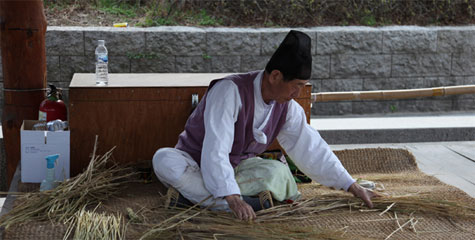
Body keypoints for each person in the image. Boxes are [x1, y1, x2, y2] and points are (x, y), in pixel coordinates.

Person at [152, 30, 377, 220]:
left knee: (278, 170)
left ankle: (191, 200)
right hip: (195, 163)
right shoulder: (230, 91)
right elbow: (215, 149)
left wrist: (350, 185)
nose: (298, 93)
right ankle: (234, 204)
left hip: (236, 170)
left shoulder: (287, 107)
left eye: (303, 86)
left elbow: (311, 148)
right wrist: (232, 197)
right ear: (276, 76)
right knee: (163, 160)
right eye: (296, 85)